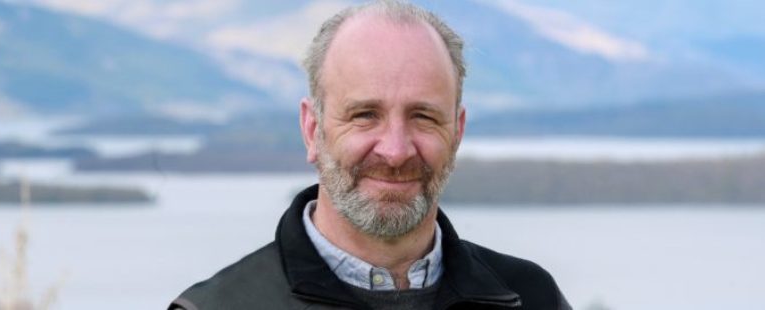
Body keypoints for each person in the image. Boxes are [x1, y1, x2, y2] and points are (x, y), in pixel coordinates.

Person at [169, 1, 571, 309]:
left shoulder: (531, 297)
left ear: (457, 131)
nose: (395, 151)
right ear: (312, 129)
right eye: (365, 115)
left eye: (423, 116)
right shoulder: (217, 307)